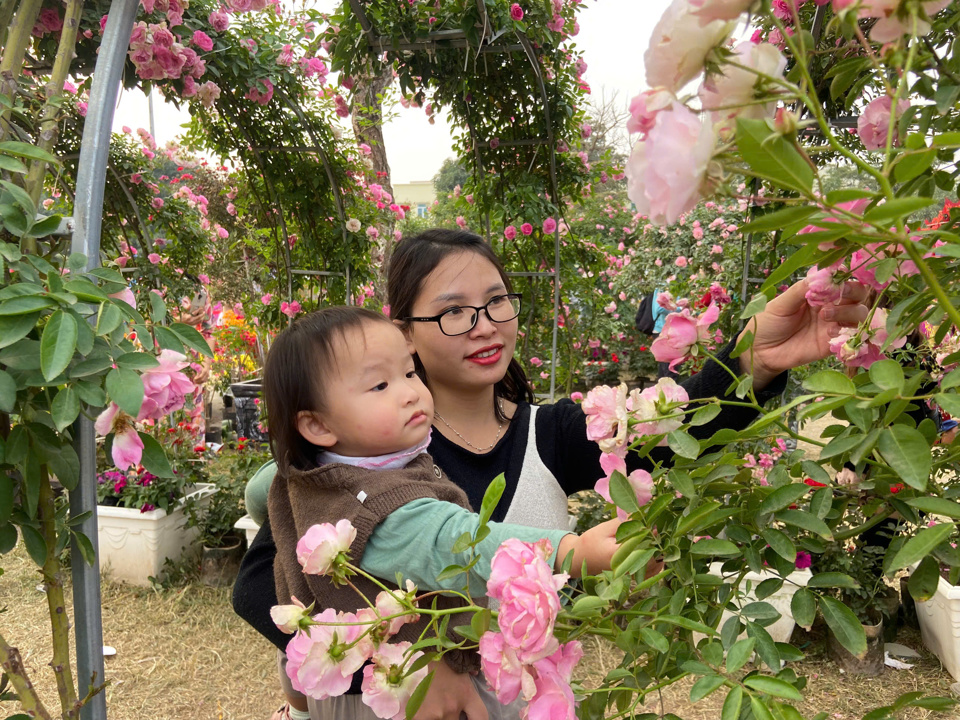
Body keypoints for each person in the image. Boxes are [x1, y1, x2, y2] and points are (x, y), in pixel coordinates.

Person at [235, 228, 870, 720]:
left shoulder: (552, 432)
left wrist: (751, 358)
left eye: (496, 302)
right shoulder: (365, 460)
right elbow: (262, 585)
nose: (485, 326)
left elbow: (676, 438)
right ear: (403, 332)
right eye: (454, 312)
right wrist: (410, 668)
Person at [263, 305, 627, 720]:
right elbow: (456, 541)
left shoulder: (309, 477)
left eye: (409, 372)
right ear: (318, 427)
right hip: (412, 699)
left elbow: (261, 496)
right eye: (380, 385)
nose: (410, 391)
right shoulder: (377, 511)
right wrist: (569, 551)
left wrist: (298, 699)